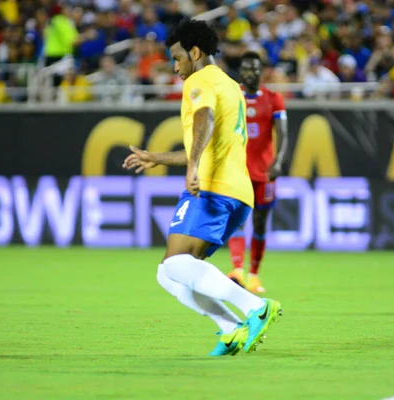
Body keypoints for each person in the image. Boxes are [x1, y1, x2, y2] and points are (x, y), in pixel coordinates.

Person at [122, 19, 282, 357]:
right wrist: (157, 157)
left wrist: (193, 167)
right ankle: (231, 329)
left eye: (178, 58)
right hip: (237, 193)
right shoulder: (230, 85)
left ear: (195, 52)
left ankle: (255, 306)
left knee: (176, 265)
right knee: (169, 274)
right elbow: (209, 141)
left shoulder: (201, 80)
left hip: (212, 188)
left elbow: (204, 120)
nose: (176, 67)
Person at [227, 51, 288, 294]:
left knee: (260, 223)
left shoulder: (274, 99)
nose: (249, 73)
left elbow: (283, 132)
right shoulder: (232, 97)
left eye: (254, 68)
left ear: (261, 71)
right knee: (236, 219)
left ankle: (254, 274)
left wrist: (278, 160)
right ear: (239, 72)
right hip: (237, 171)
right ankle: (237, 270)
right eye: (245, 69)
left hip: (264, 171)